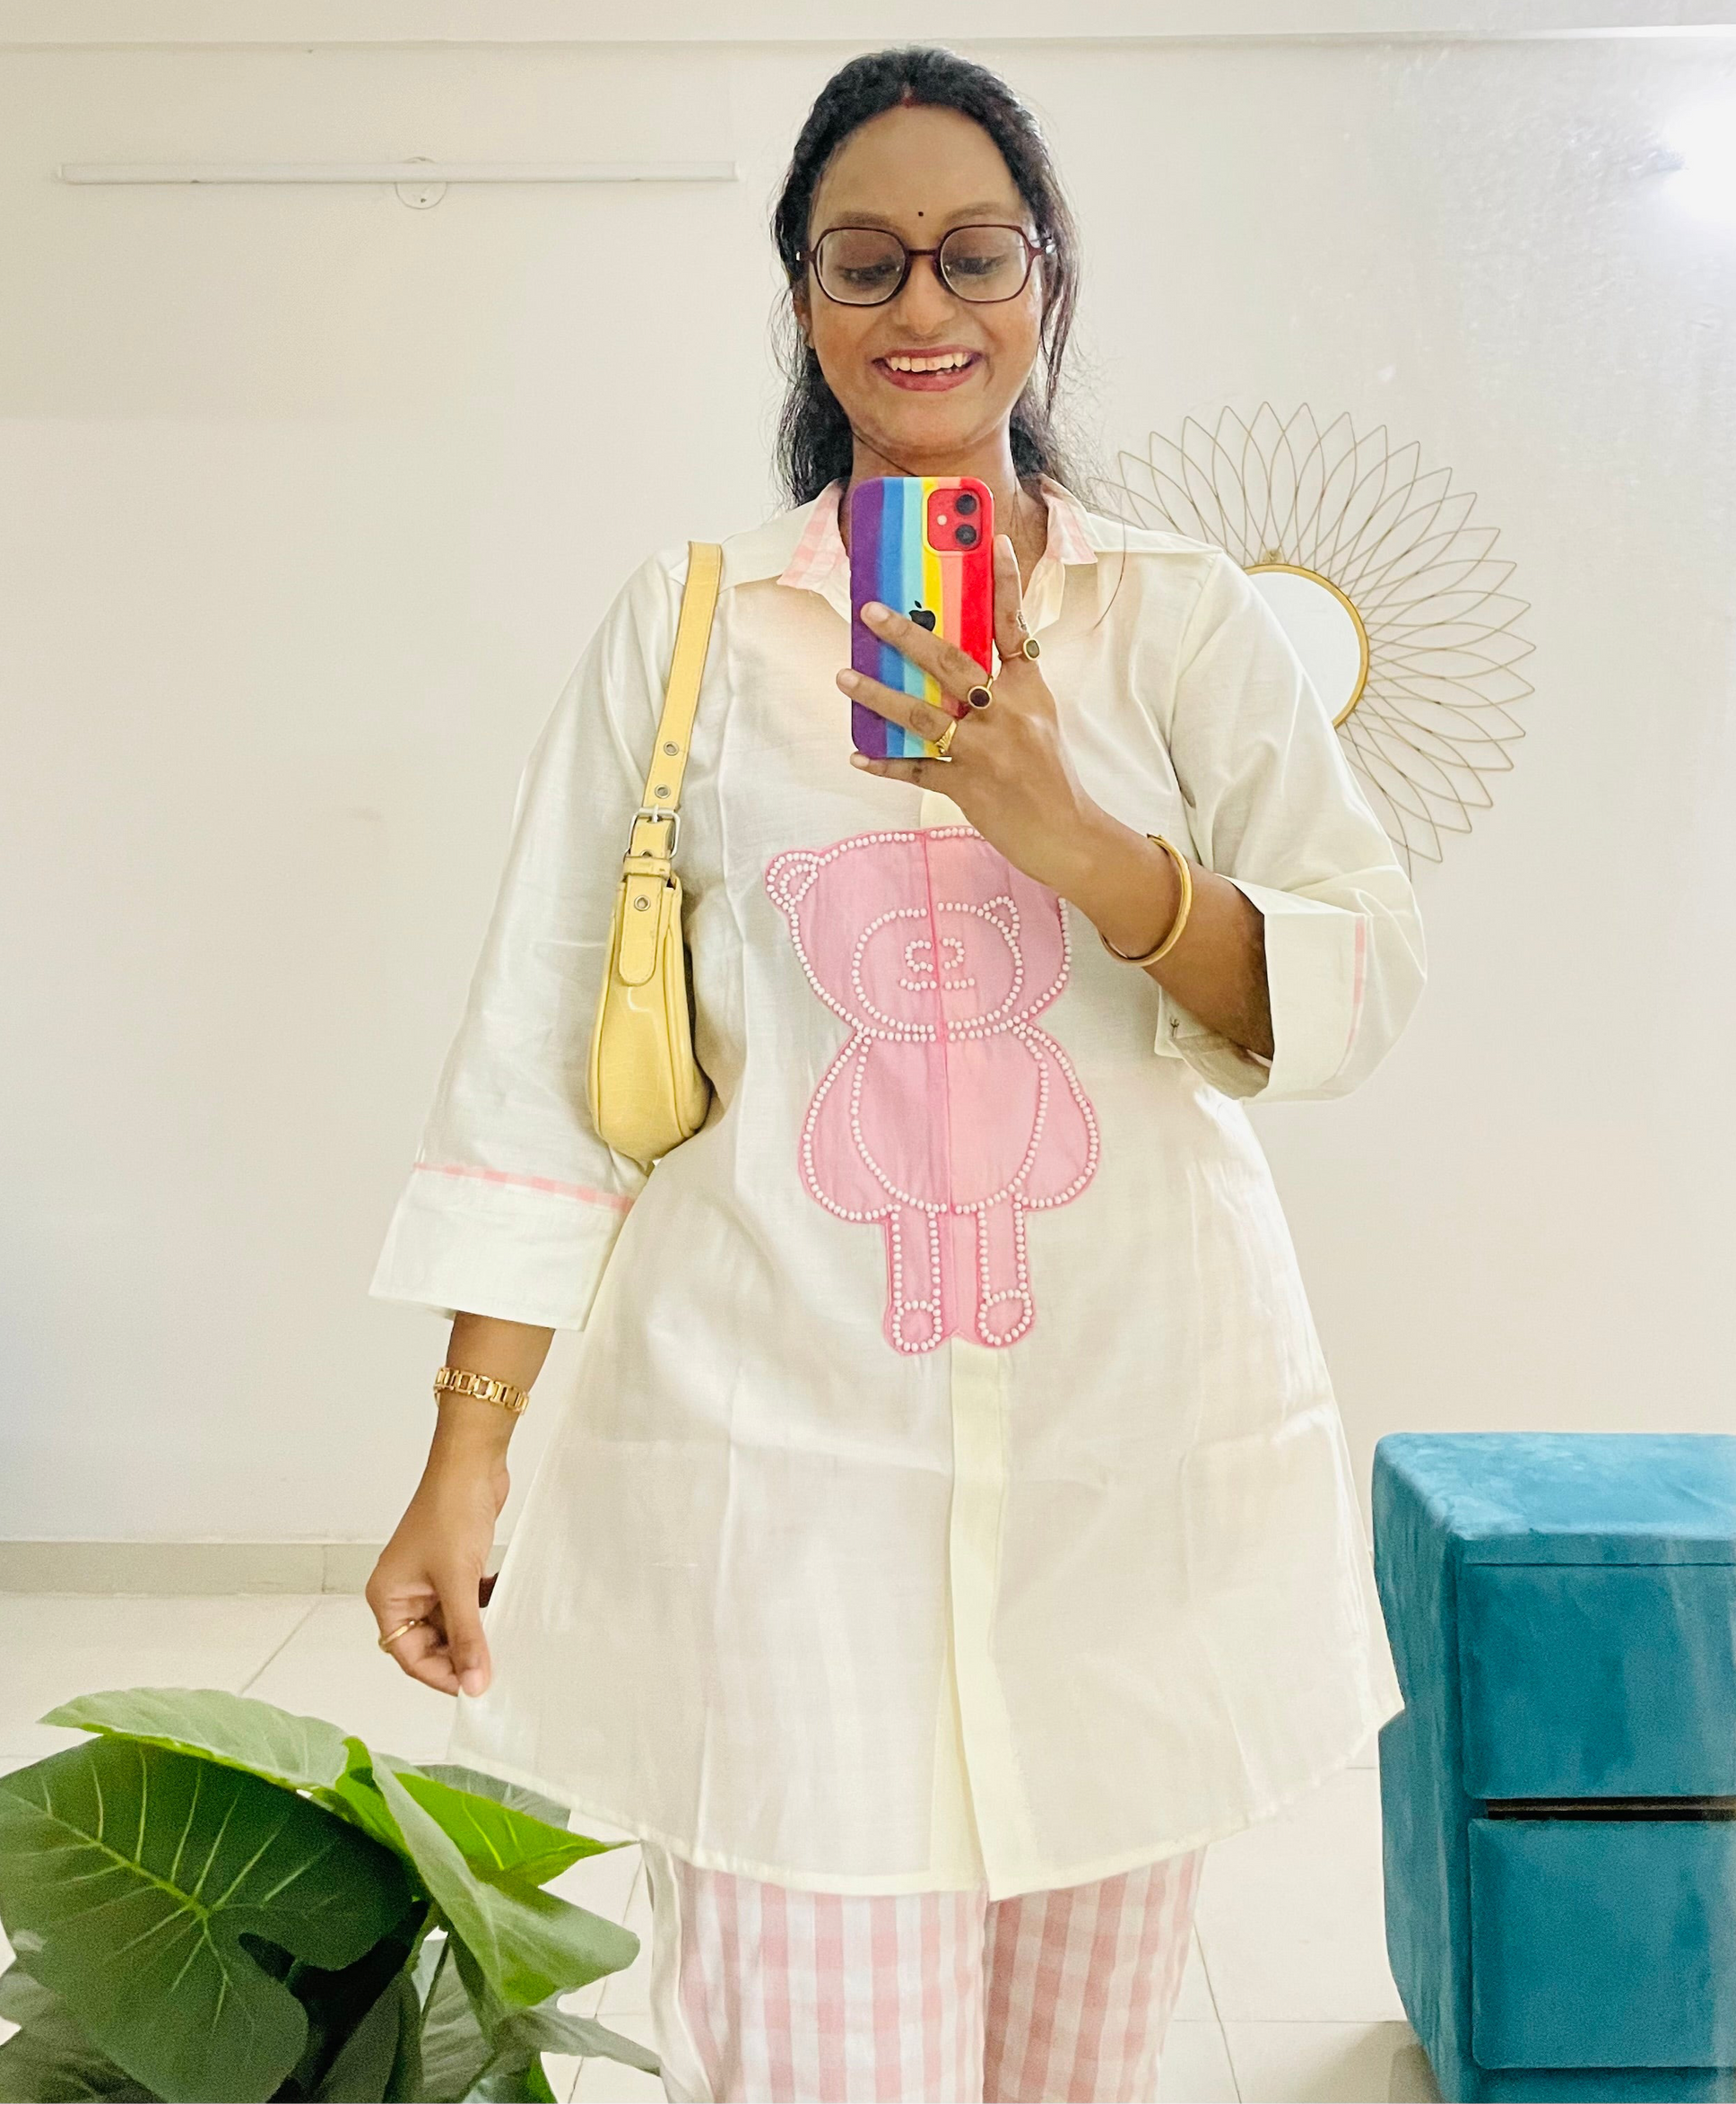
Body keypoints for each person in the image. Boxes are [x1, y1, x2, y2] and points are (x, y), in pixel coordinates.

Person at [365, 44, 1427, 2104]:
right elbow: (541, 1053)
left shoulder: (1179, 624)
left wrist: (1081, 845)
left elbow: (1356, 980)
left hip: (1130, 1484)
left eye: (973, 253)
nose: (921, 303)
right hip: (774, 1490)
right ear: (803, 300)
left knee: (1067, 2077)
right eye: (864, 260)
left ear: (1047, 283)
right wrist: (464, 1450)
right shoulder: (685, 627)